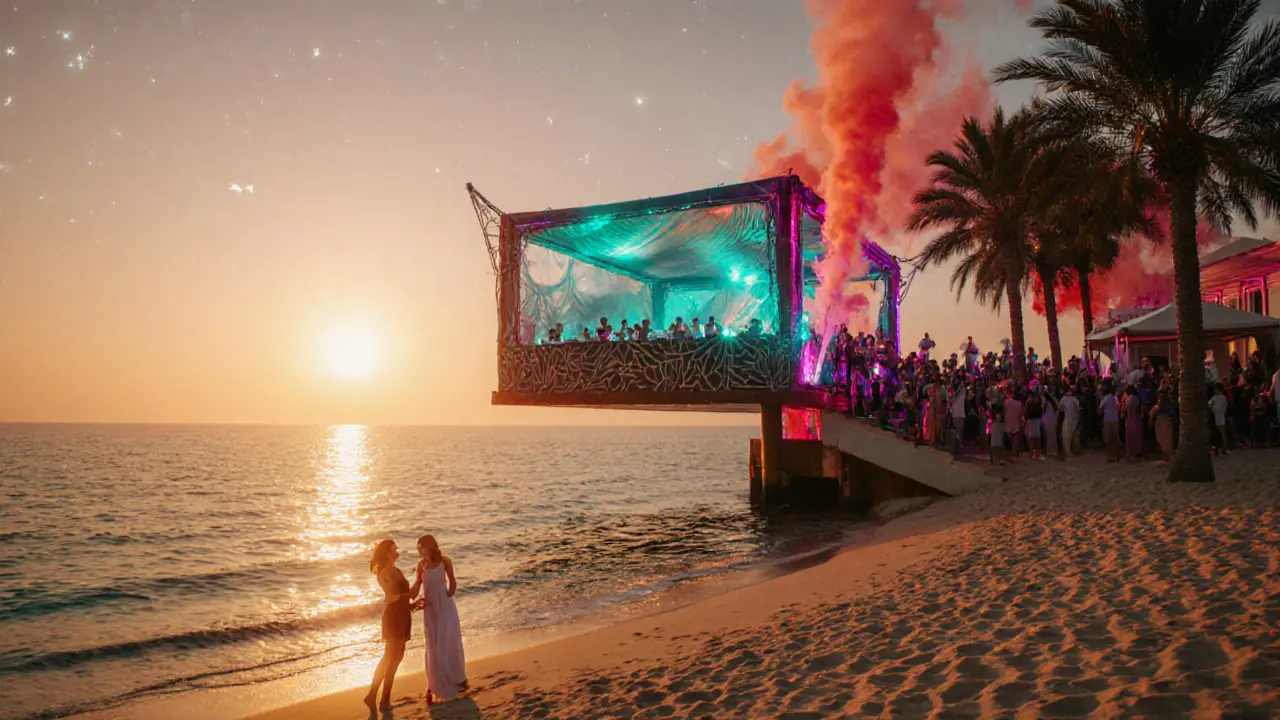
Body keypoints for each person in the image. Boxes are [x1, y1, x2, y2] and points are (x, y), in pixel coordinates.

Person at [414, 535, 469, 705]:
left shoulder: (445, 561)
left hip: (445, 606)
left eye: (421, 547)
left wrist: (452, 588)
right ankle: (433, 685)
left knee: (449, 642)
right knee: (433, 645)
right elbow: (417, 586)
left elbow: (452, 580)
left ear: (429, 547)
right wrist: (410, 600)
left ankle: (458, 679)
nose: (419, 550)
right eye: (418, 547)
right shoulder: (420, 565)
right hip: (430, 609)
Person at [365, 539, 412, 714]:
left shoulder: (396, 570)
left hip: (404, 615)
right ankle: (382, 699)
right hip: (393, 617)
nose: (397, 551)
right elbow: (391, 597)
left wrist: (415, 602)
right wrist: (411, 593)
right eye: (394, 549)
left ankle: (373, 696)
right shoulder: (384, 573)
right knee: (389, 660)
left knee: (396, 658)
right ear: (386, 553)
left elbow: (404, 596)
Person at [1151, 388, 1177, 461]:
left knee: (1167, 441)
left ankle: (1169, 456)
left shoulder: (1169, 404)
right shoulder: (1159, 406)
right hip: (1160, 424)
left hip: (1165, 423)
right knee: (1161, 440)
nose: (1160, 398)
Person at [1100, 383, 1122, 463]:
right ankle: (1116, 456)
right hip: (1115, 419)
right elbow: (1119, 407)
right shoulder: (1115, 398)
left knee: (1108, 439)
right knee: (1115, 439)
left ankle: (1110, 457)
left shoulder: (1106, 398)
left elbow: (1101, 407)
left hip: (1108, 420)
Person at [1060, 386, 1082, 455]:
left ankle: (1070, 450)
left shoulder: (1071, 399)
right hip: (1072, 419)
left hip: (1071, 420)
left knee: (1069, 436)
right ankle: (1070, 450)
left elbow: (1060, 408)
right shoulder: (1073, 399)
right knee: (1071, 436)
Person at [1209, 383, 1229, 456]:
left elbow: (1209, 405)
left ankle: (1219, 449)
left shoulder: (1215, 398)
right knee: (1223, 434)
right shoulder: (1224, 397)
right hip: (1222, 417)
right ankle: (1224, 448)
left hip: (1216, 417)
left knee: (1217, 434)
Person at [1124, 385, 1143, 461]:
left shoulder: (1130, 397)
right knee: (1136, 434)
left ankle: (1132, 451)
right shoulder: (1136, 397)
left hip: (1131, 417)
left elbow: (1127, 406)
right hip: (1134, 417)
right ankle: (1136, 450)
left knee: (1131, 435)